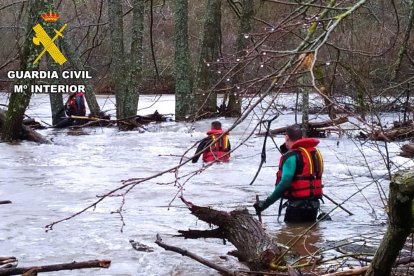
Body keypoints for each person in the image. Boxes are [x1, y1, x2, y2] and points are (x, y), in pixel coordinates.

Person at [254, 125, 324, 223]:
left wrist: (265, 204)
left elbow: (285, 182)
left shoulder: (291, 157)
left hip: (296, 208)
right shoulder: (314, 153)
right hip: (314, 206)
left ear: (287, 137)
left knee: (289, 235)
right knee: (309, 235)